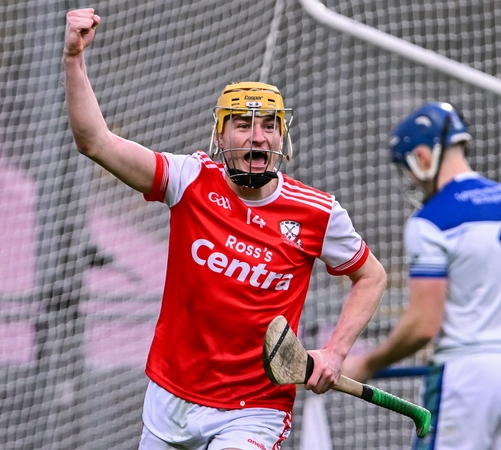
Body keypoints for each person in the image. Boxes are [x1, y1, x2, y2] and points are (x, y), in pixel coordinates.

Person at [64, 8, 386, 450]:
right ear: (220, 136)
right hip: (171, 397)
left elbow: (371, 276)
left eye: (269, 125)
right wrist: (73, 58)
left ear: (282, 137)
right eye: (243, 123)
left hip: (255, 409)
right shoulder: (188, 181)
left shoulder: (318, 213)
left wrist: (334, 351)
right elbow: (95, 142)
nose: (257, 136)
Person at [343, 102, 501, 450]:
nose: (411, 179)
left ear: (422, 156)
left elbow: (423, 325)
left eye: (408, 168)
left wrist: (367, 363)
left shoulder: (431, 220)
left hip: (467, 380)